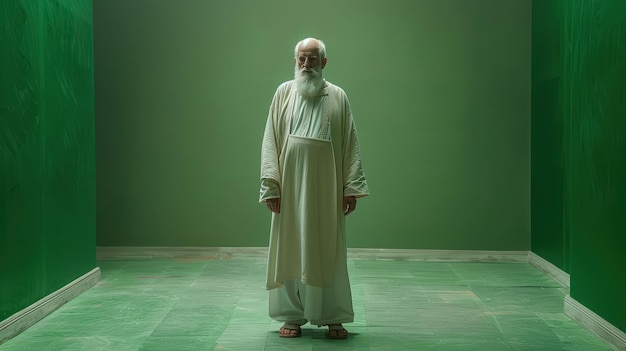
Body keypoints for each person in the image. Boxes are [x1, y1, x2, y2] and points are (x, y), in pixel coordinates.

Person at [259, 38, 369, 339]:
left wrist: (350, 187)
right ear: (295, 61)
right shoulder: (284, 92)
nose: (306, 65)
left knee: (327, 248)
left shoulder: (338, 96)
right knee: (290, 248)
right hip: (290, 187)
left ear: (324, 62)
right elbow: (271, 140)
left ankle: (332, 315)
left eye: (312, 59)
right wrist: (272, 185)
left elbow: (350, 143)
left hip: (326, 187)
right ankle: (291, 315)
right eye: (301, 59)